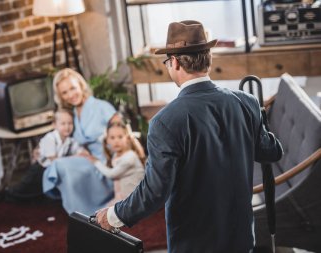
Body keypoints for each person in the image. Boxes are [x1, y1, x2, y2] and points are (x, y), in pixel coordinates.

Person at [95, 20, 283, 253]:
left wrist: (113, 216)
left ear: (173, 62)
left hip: (194, 243)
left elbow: (155, 191)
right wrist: (259, 118)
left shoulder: (163, 122)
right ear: (208, 58)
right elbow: (273, 151)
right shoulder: (246, 102)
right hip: (241, 237)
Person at [42, 68, 121, 215]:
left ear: (81, 85)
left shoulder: (102, 107)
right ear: (61, 96)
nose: (71, 95)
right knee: (51, 164)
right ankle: (78, 211)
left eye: (73, 88)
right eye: (65, 92)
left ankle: (78, 213)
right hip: (85, 160)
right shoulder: (71, 115)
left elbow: (122, 136)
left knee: (59, 165)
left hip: (106, 163)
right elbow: (63, 137)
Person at [1, 108, 84, 201]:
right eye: (63, 124)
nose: (67, 127)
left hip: (50, 171)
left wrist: (82, 153)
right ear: (54, 125)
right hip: (40, 169)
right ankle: (7, 194)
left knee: (38, 193)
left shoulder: (69, 140)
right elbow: (54, 160)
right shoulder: (50, 138)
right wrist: (73, 158)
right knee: (23, 189)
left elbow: (79, 150)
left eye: (70, 123)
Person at [82, 121, 145, 206]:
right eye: (112, 137)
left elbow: (111, 174)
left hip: (134, 199)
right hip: (122, 197)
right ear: (107, 140)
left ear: (127, 138)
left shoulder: (130, 157)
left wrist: (95, 161)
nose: (116, 141)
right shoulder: (116, 155)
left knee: (102, 213)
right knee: (101, 211)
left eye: (120, 137)